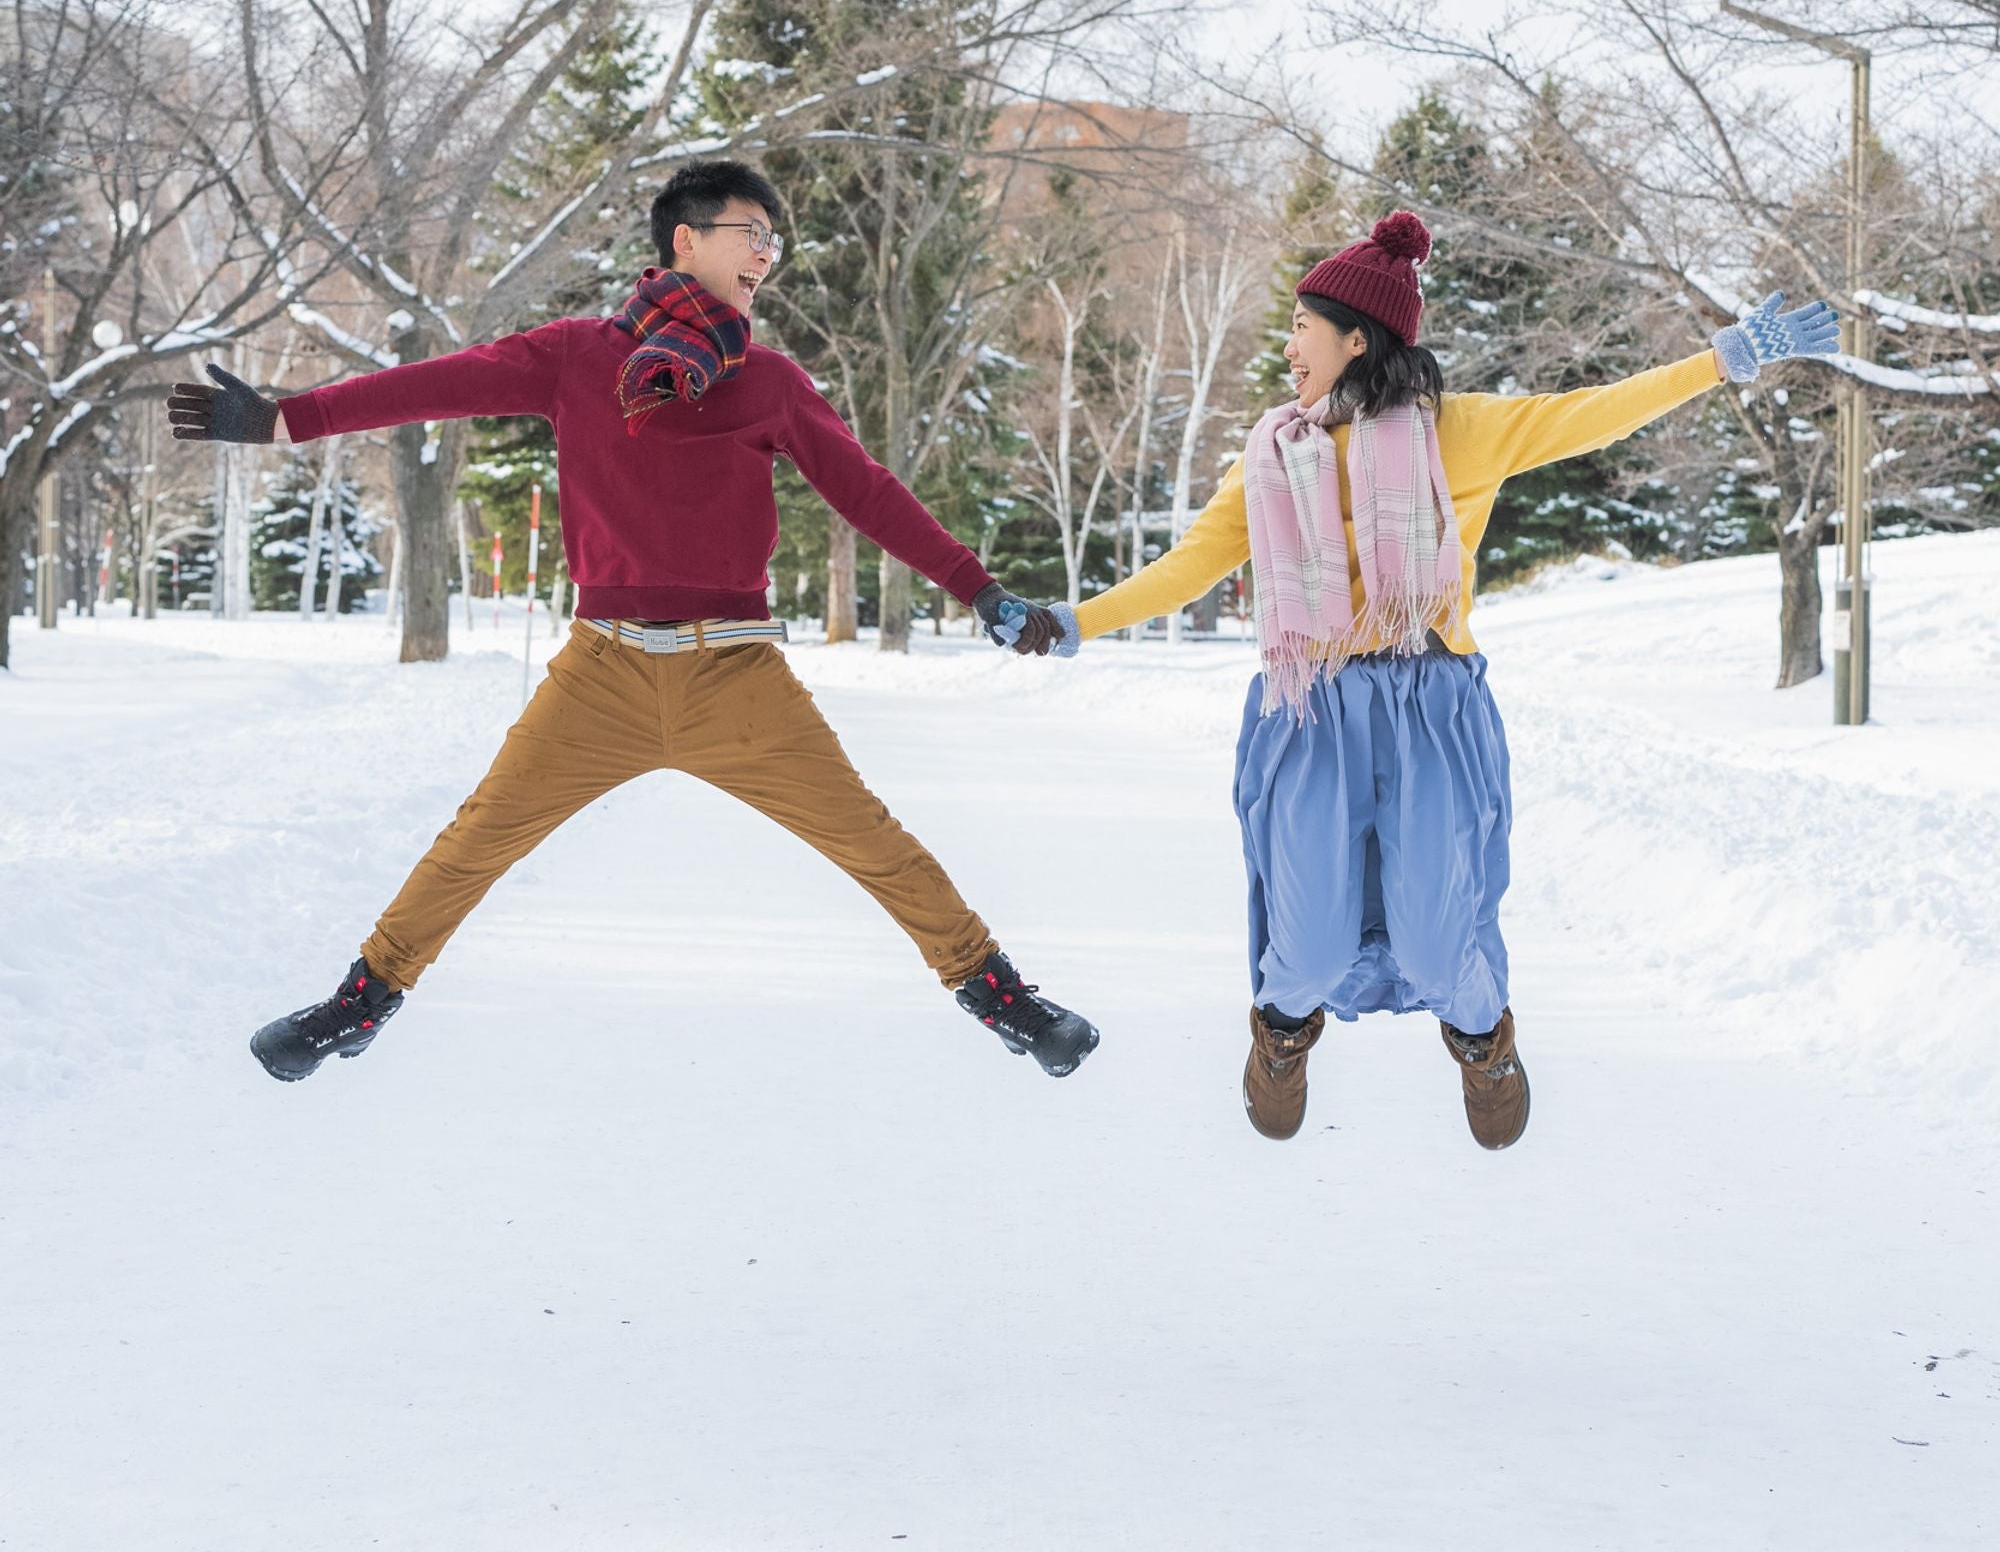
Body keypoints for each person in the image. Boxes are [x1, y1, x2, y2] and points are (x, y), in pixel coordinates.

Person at [169, 158, 1098, 1085]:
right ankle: (360, 1004)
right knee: (476, 839)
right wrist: (286, 420)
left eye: (777, 241)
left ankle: (1002, 998)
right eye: (752, 233)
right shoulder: (576, 357)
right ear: (685, 239)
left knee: (872, 841)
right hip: (601, 678)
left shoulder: (768, 383)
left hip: (735, 679)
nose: (767, 255)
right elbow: (433, 386)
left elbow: (869, 492)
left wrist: (978, 589)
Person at [1032, 211, 1837, 1151]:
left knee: (1434, 932)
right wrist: (1076, 621)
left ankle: (1482, 1041)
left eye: (1302, 326)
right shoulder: (1271, 457)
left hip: (1428, 706)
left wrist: (1719, 359)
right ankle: (1282, 1034)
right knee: (1311, 938)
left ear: (1355, 338)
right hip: (1314, 710)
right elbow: (1188, 567)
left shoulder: (1457, 434)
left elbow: (1590, 413)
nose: (1289, 346)